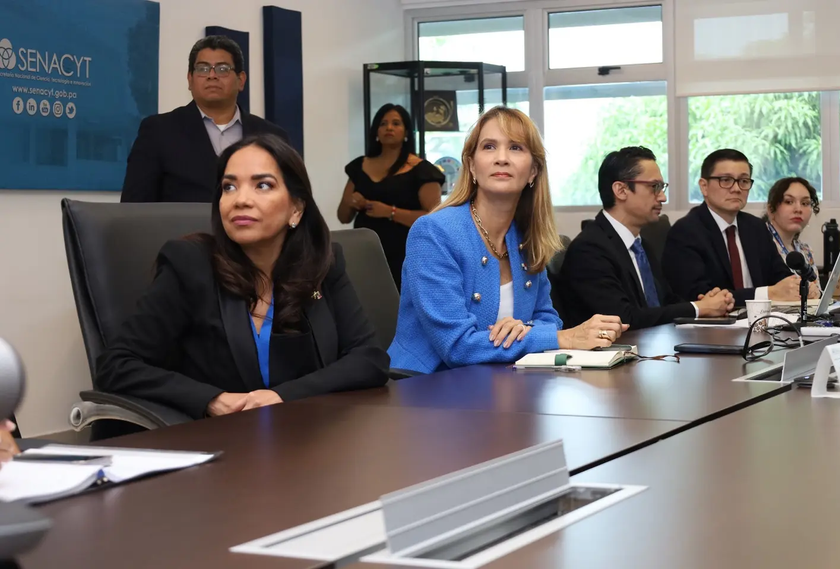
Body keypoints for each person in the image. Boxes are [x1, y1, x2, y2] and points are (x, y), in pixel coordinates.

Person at [98, 134, 389, 419]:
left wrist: (284, 397)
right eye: (229, 187)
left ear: (296, 210)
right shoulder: (189, 264)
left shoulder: (323, 264)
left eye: (263, 185)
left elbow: (369, 359)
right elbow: (117, 365)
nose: (241, 200)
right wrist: (211, 400)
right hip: (220, 445)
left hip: (306, 437)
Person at [388, 107, 627, 374]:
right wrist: (562, 339)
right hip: (425, 391)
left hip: (500, 383)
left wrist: (525, 330)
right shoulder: (434, 232)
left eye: (515, 148)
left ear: (533, 171)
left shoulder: (526, 238)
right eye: (489, 146)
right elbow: (457, 347)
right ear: (471, 165)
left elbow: (548, 319)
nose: (501, 158)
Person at [559, 147, 734, 330]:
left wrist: (707, 303)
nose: (663, 197)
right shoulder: (589, 250)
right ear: (621, 190)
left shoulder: (642, 246)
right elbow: (624, 319)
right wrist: (697, 309)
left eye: (662, 187)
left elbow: (665, 302)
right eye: (654, 187)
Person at [121, 35, 289, 203]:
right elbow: (133, 210)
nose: (212, 75)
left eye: (222, 69)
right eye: (202, 68)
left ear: (241, 80)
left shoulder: (272, 136)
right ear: (190, 79)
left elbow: (290, 201)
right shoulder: (158, 131)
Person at [663, 149, 819, 306]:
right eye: (725, 180)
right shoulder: (686, 232)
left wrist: (800, 288)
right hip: (711, 327)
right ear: (704, 187)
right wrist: (766, 293)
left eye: (743, 181)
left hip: (762, 321)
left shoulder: (755, 228)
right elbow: (698, 296)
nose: (736, 188)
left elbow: (780, 276)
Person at [337, 104, 444, 290]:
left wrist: (390, 212)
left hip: (406, 254)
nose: (389, 128)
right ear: (376, 131)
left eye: (396, 123)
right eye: (383, 123)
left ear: (406, 132)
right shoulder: (359, 166)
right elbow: (343, 217)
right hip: (365, 253)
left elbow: (434, 219)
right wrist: (354, 202)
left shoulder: (422, 170)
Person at [765, 176, 821, 277]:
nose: (798, 209)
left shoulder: (805, 251)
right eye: (789, 202)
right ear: (771, 209)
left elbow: (817, 289)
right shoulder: (760, 247)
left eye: (805, 203)